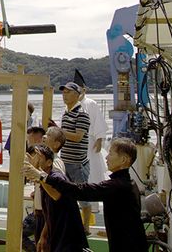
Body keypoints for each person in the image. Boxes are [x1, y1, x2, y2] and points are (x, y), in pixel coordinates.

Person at [25, 138, 146, 252]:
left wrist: (43, 176)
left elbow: (80, 191)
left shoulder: (117, 186)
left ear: (124, 160)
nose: (106, 157)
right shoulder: (129, 184)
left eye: (111, 153)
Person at [24, 144, 89, 252]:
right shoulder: (44, 182)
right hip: (58, 235)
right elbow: (49, 214)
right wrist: (44, 236)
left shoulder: (56, 176)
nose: (34, 162)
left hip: (69, 237)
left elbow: (56, 194)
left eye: (38, 158)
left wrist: (39, 173)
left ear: (49, 162)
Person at [75, 70, 109, 228]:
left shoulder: (91, 104)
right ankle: (81, 214)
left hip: (89, 146)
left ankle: (91, 218)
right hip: (76, 148)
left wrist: (100, 138)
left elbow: (99, 124)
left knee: (91, 177)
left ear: (84, 89)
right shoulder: (72, 105)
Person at [58, 82, 91, 231]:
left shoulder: (82, 114)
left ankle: (86, 227)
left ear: (77, 95)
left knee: (82, 196)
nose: (64, 95)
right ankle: (72, 224)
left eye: (68, 92)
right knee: (67, 196)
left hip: (77, 163)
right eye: (63, 92)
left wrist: (60, 131)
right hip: (66, 161)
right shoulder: (66, 113)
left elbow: (78, 137)